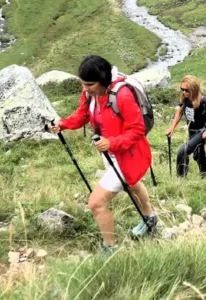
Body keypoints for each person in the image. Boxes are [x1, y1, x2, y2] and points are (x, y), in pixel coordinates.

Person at [48, 55, 158, 251]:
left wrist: (112, 143)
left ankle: (110, 248)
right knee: (131, 184)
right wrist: (62, 124)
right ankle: (150, 218)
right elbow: (82, 115)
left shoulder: (122, 95)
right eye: (83, 84)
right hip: (110, 153)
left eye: (89, 84)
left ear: (103, 80)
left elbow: (137, 130)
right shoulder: (90, 94)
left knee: (96, 203)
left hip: (128, 155)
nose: (85, 88)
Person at [165, 75, 206, 178]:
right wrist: (172, 127)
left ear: (194, 89)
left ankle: (180, 180)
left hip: (203, 130)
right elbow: (179, 112)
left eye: (187, 90)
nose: (184, 92)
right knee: (197, 153)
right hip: (192, 130)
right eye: (182, 89)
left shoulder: (204, 100)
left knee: (182, 152)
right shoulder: (185, 99)